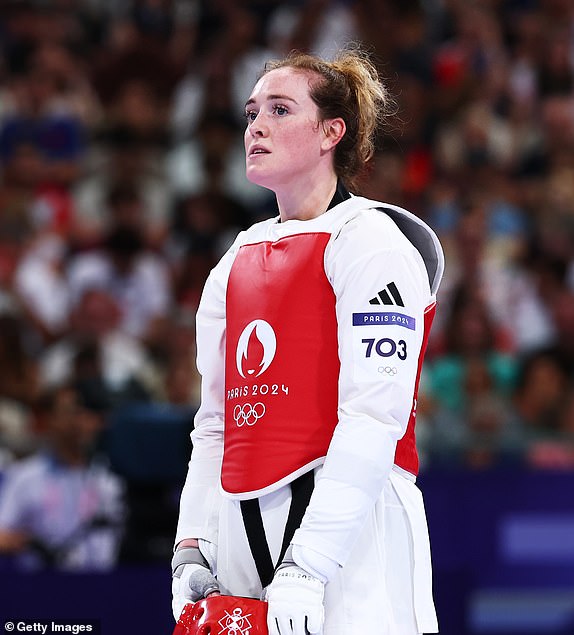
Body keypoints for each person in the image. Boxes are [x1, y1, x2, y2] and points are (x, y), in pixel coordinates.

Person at [171, 47, 444, 635]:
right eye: (251, 114)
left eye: (280, 110)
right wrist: (192, 544)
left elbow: (376, 414)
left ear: (330, 132)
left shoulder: (372, 243)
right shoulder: (235, 259)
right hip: (244, 534)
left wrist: (310, 562)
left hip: (353, 538)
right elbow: (216, 421)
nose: (257, 126)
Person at [0, 382, 125, 571]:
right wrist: (28, 542)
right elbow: (3, 534)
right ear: (49, 420)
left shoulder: (108, 479)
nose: (77, 421)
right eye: (70, 412)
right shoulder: (25, 477)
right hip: (42, 584)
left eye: (82, 413)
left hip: (102, 584)